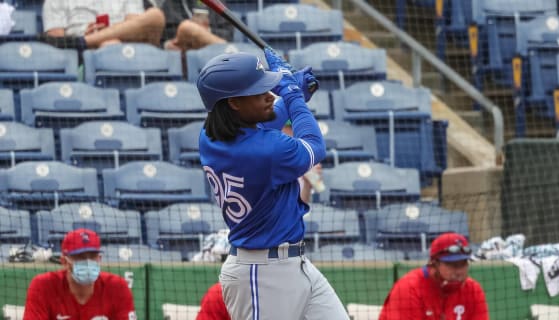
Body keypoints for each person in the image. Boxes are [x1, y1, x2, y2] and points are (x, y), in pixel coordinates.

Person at [197, 50, 348, 319]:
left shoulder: (210, 134)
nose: (270, 95)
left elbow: (268, 119)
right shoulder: (267, 151)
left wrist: (296, 91)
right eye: (259, 91)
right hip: (261, 273)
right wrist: (292, 93)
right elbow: (315, 145)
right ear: (233, 103)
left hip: (293, 263)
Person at [23, 228, 136, 319]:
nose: (87, 262)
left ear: (99, 259)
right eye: (80, 257)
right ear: (64, 262)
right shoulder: (43, 286)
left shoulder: (117, 287)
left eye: (92, 256)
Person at [379, 233, 489, 320]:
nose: (459, 271)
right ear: (434, 263)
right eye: (452, 265)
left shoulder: (473, 290)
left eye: (463, 263)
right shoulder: (409, 288)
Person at [42, 0, 166, 48]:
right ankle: (84, 41)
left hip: (126, 46)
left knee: (156, 16)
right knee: (111, 45)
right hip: (83, 55)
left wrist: (105, 34)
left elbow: (138, 30)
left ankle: (84, 40)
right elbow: (56, 44)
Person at [160, 0, 231, 51]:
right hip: (178, 52)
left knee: (187, 28)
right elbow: (162, 36)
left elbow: (227, 32)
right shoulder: (168, 3)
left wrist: (204, 31)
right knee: (186, 28)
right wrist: (166, 45)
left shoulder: (217, 2)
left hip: (211, 50)